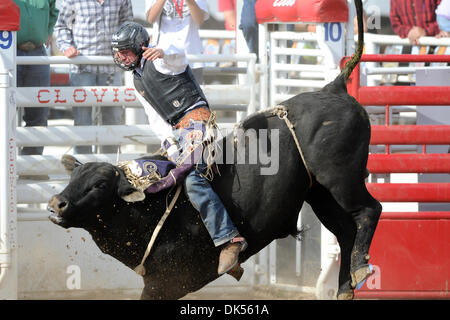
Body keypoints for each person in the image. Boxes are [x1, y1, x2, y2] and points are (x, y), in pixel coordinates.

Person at [111, 21, 247, 275]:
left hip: (196, 119)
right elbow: (155, 119)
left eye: (126, 51)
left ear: (141, 47)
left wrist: (163, 51)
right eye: (118, 52)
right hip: (176, 132)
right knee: (161, 179)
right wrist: (171, 148)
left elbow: (179, 56)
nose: (121, 57)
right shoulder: (135, 81)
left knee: (193, 178)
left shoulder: (161, 59)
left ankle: (230, 240)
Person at [54, 0, 133, 154]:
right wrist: (66, 47)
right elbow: (61, 25)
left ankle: (109, 166)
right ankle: (83, 166)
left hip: (111, 66)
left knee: (113, 117)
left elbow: (127, 25)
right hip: (82, 66)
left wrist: (125, 48)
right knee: (82, 118)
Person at [14, 0, 59, 157]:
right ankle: (5, 165)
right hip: (8, 52)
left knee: (39, 112)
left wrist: (48, 30)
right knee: (5, 112)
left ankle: (32, 165)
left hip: (38, 54)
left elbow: (54, 10)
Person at [146, 0, 208, 83]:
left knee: (194, 95)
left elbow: (199, 20)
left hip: (191, 58)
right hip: (162, 60)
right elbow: (151, 18)